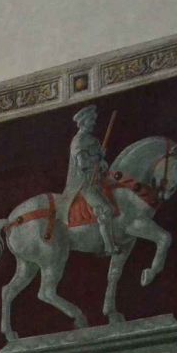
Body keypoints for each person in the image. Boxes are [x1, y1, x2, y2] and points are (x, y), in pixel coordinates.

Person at [62, 105, 115, 253]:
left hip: (98, 181)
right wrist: (98, 158)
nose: (94, 123)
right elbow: (83, 164)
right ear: (82, 122)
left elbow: (99, 163)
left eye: (94, 120)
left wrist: (102, 162)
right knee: (106, 209)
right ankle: (108, 247)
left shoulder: (93, 140)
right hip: (84, 185)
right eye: (91, 120)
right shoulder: (78, 142)